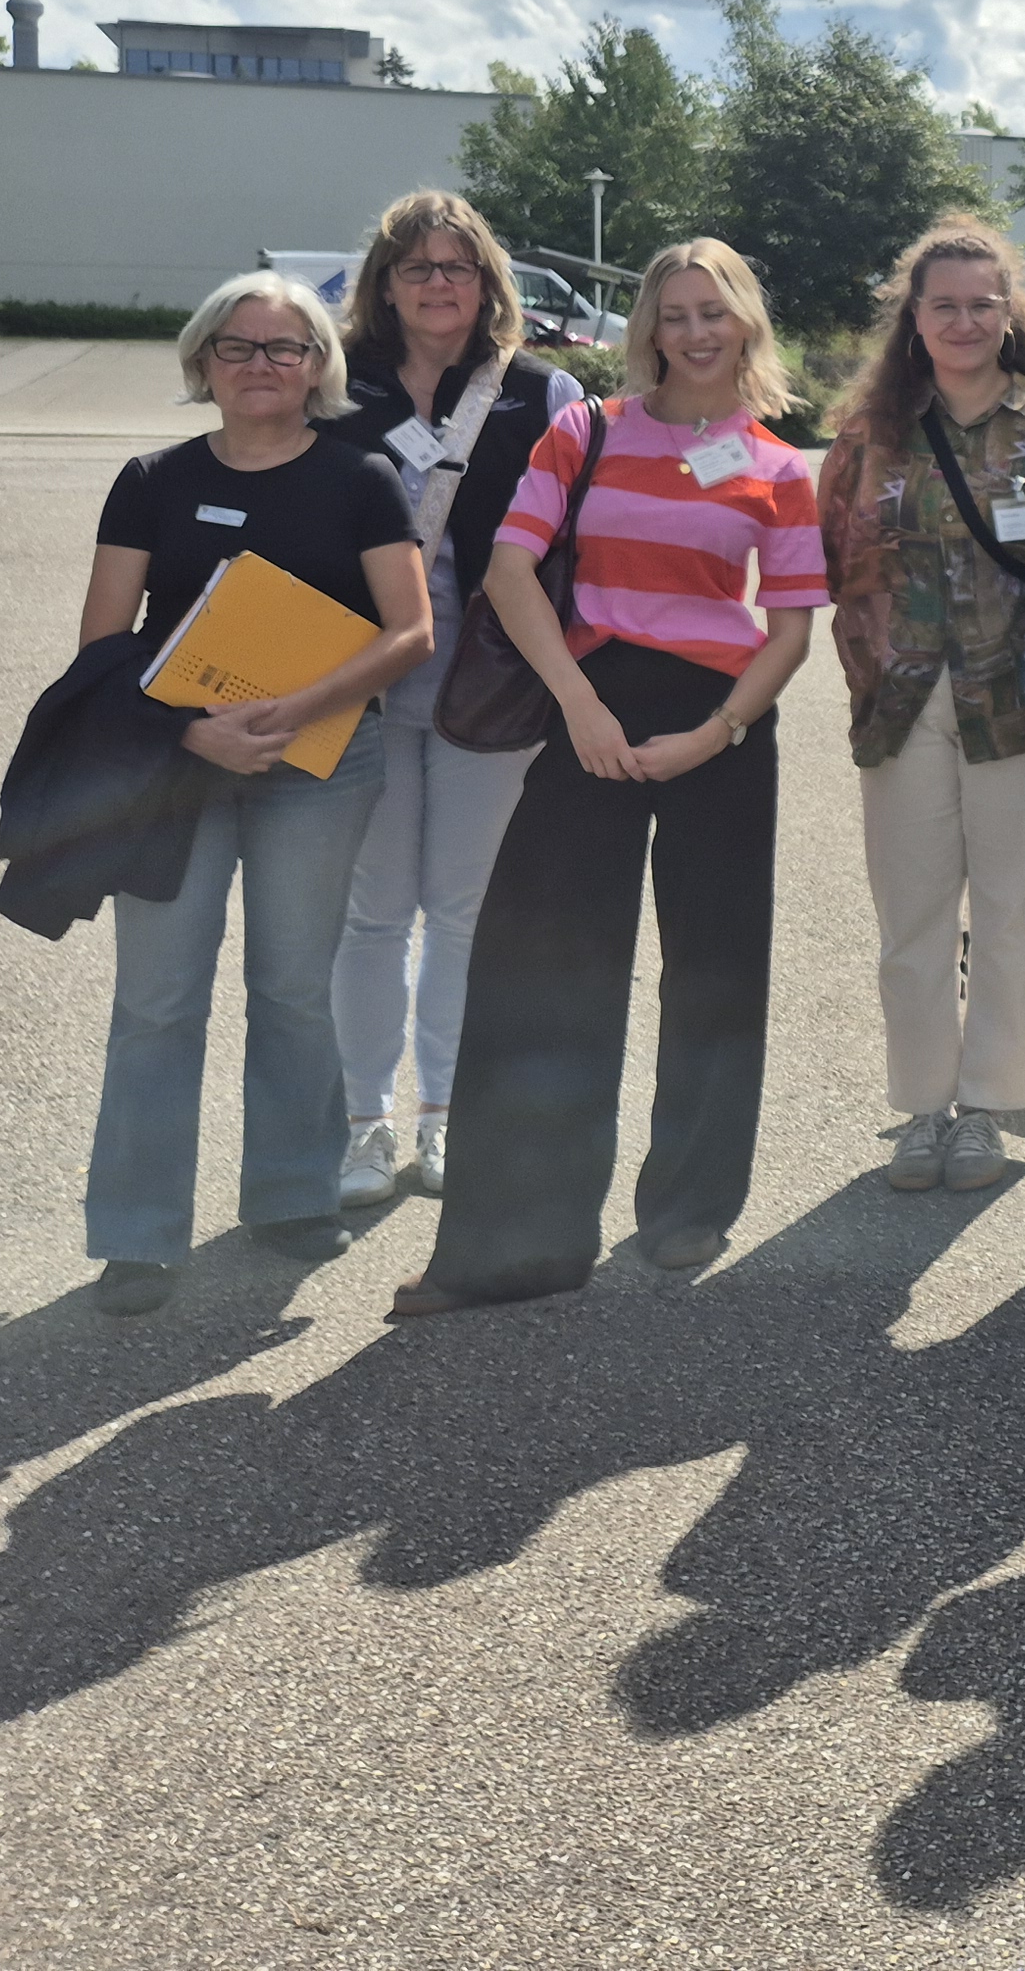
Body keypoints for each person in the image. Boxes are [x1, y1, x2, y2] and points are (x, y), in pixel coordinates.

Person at [390, 239, 825, 1315]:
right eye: (672, 313)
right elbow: (509, 570)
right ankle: (508, 1246)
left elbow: (790, 632)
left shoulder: (775, 465)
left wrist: (717, 732)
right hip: (589, 708)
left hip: (719, 729)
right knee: (541, 974)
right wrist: (582, 708)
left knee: (715, 974)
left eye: (711, 312)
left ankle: (687, 1209)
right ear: (648, 330)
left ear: (745, 325)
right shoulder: (584, 431)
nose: (693, 332)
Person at [74, 273, 431, 1314]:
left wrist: (290, 711)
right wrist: (195, 730)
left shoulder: (362, 477)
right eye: (240, 347)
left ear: (319, 366)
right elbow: (103, 645)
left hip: (318, 764)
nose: (263, 365)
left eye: (286, 348)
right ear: (203, 362)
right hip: (171, 763)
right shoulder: (150, 479)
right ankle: (138, 1234)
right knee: (156, 1001)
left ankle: (290, 1195)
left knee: (290, 987)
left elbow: (411, 632)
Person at [318, 191, 584, 1209]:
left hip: (495, 692)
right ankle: (363, 1128)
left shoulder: (541, 394)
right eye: (418, 267)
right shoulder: (337, 394)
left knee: (467, 912)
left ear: (489, 285)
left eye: (458, 267)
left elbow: (574, 548)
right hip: (365, 690)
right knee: (374, 915)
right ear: (384, 285)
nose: (439, 284)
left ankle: (445, 1120)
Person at [819, 215, 1025, 1194]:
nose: (966, 320)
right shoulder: (870, 437)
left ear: (1009, 312)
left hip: (1018, 703)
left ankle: (988, 1109)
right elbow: (834, 564)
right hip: (899, 703)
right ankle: (924, 1108)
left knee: (1017, 911)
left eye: (984, 303)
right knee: (912, 918)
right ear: (914, 318)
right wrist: (867, 665)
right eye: (946, 305)